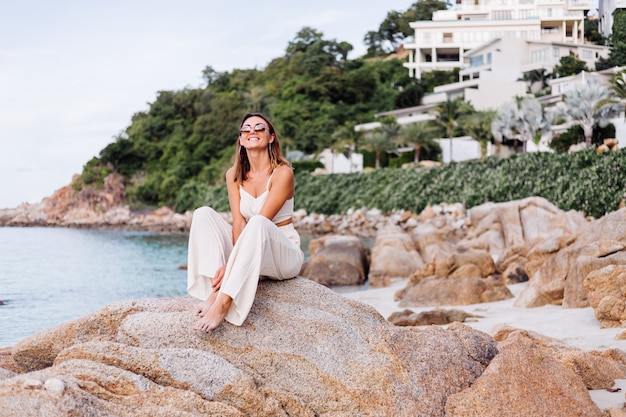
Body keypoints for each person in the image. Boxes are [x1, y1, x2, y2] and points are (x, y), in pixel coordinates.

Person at [186, 112, 304, 332]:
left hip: (281, 253)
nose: (252, 131)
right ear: (240, 139)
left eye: (260, 128)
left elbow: (260, 222)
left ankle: (223, 303)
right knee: (203, 214)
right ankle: (215, 291)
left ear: (271, 137)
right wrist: (230, 263)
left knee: (258, 222)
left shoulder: (283, 173)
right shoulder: (234, 174)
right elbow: (239, 224)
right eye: (246, 129)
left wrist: (229, 266)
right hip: (251, 248)